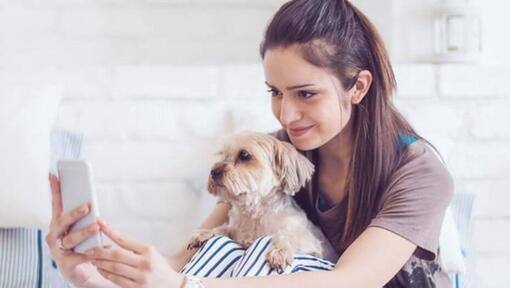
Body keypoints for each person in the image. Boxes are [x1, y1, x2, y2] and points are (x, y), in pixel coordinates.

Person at [45, 0, 454, 287]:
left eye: (305, 94)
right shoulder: (276, 153)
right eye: (275, 92)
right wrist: (96, 273)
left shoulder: (417, 171)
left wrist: (186, 285)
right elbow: (188, 261)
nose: (285, 114)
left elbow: (348, 282)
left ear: (358, 86)